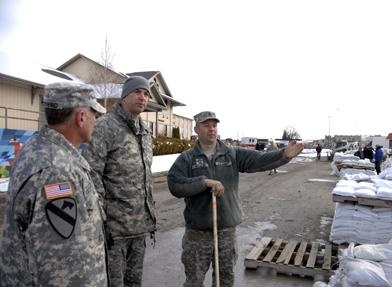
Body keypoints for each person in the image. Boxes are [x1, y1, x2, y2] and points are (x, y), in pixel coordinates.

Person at [167, 111, 304, 287]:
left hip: (226, 232)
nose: (211, 129)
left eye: (214, 125)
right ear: (196, 129)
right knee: (194, 281)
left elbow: (261, 160)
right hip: (197, 234)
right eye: (206, 125)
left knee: (225, 280)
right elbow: (175, 185)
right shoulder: (187, 158)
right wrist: (203, 183)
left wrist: (283, 154)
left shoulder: (232, 154)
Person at [0, 82, 108, 286]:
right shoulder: (57, 170)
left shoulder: (39, 149)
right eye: (95, 113)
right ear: (81, 117)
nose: (97, 119)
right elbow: (61, 265)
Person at [82, 75, 156, 287]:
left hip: (139, 227)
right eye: (137, 92)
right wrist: (102, 218)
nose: (143, 97)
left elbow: (144, 176)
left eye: (146, 94)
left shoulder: (145, 131)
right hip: (114, 231)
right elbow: (91, 173)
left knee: (134, 282)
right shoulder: (105, 126)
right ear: (124, 97)